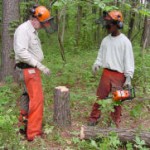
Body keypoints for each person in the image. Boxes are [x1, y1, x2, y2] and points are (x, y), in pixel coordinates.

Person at [88, 10, 134, 128]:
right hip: (106, 73)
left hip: (119, 75)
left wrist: (128, 77)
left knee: (117, 101)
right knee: (100, 97)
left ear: (117, 24)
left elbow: (129, 61)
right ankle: (94, 118)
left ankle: (115, 122)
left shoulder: (125, 42)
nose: (107, 27)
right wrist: (97, 64)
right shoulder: (105, 40)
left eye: (109, 24)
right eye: (106, 24)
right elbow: (100, 55)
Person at [14, 5, 53, 141]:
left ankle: (23, 127)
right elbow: (21, 52)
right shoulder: (24, 30)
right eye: (42, 23)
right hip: (28, 69)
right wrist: (39, 66)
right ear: (35, 19)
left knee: (27, 98)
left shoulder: (32, 30)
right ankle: (34, 134)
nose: (43, 26)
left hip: (29, 69)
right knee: (37, 100)